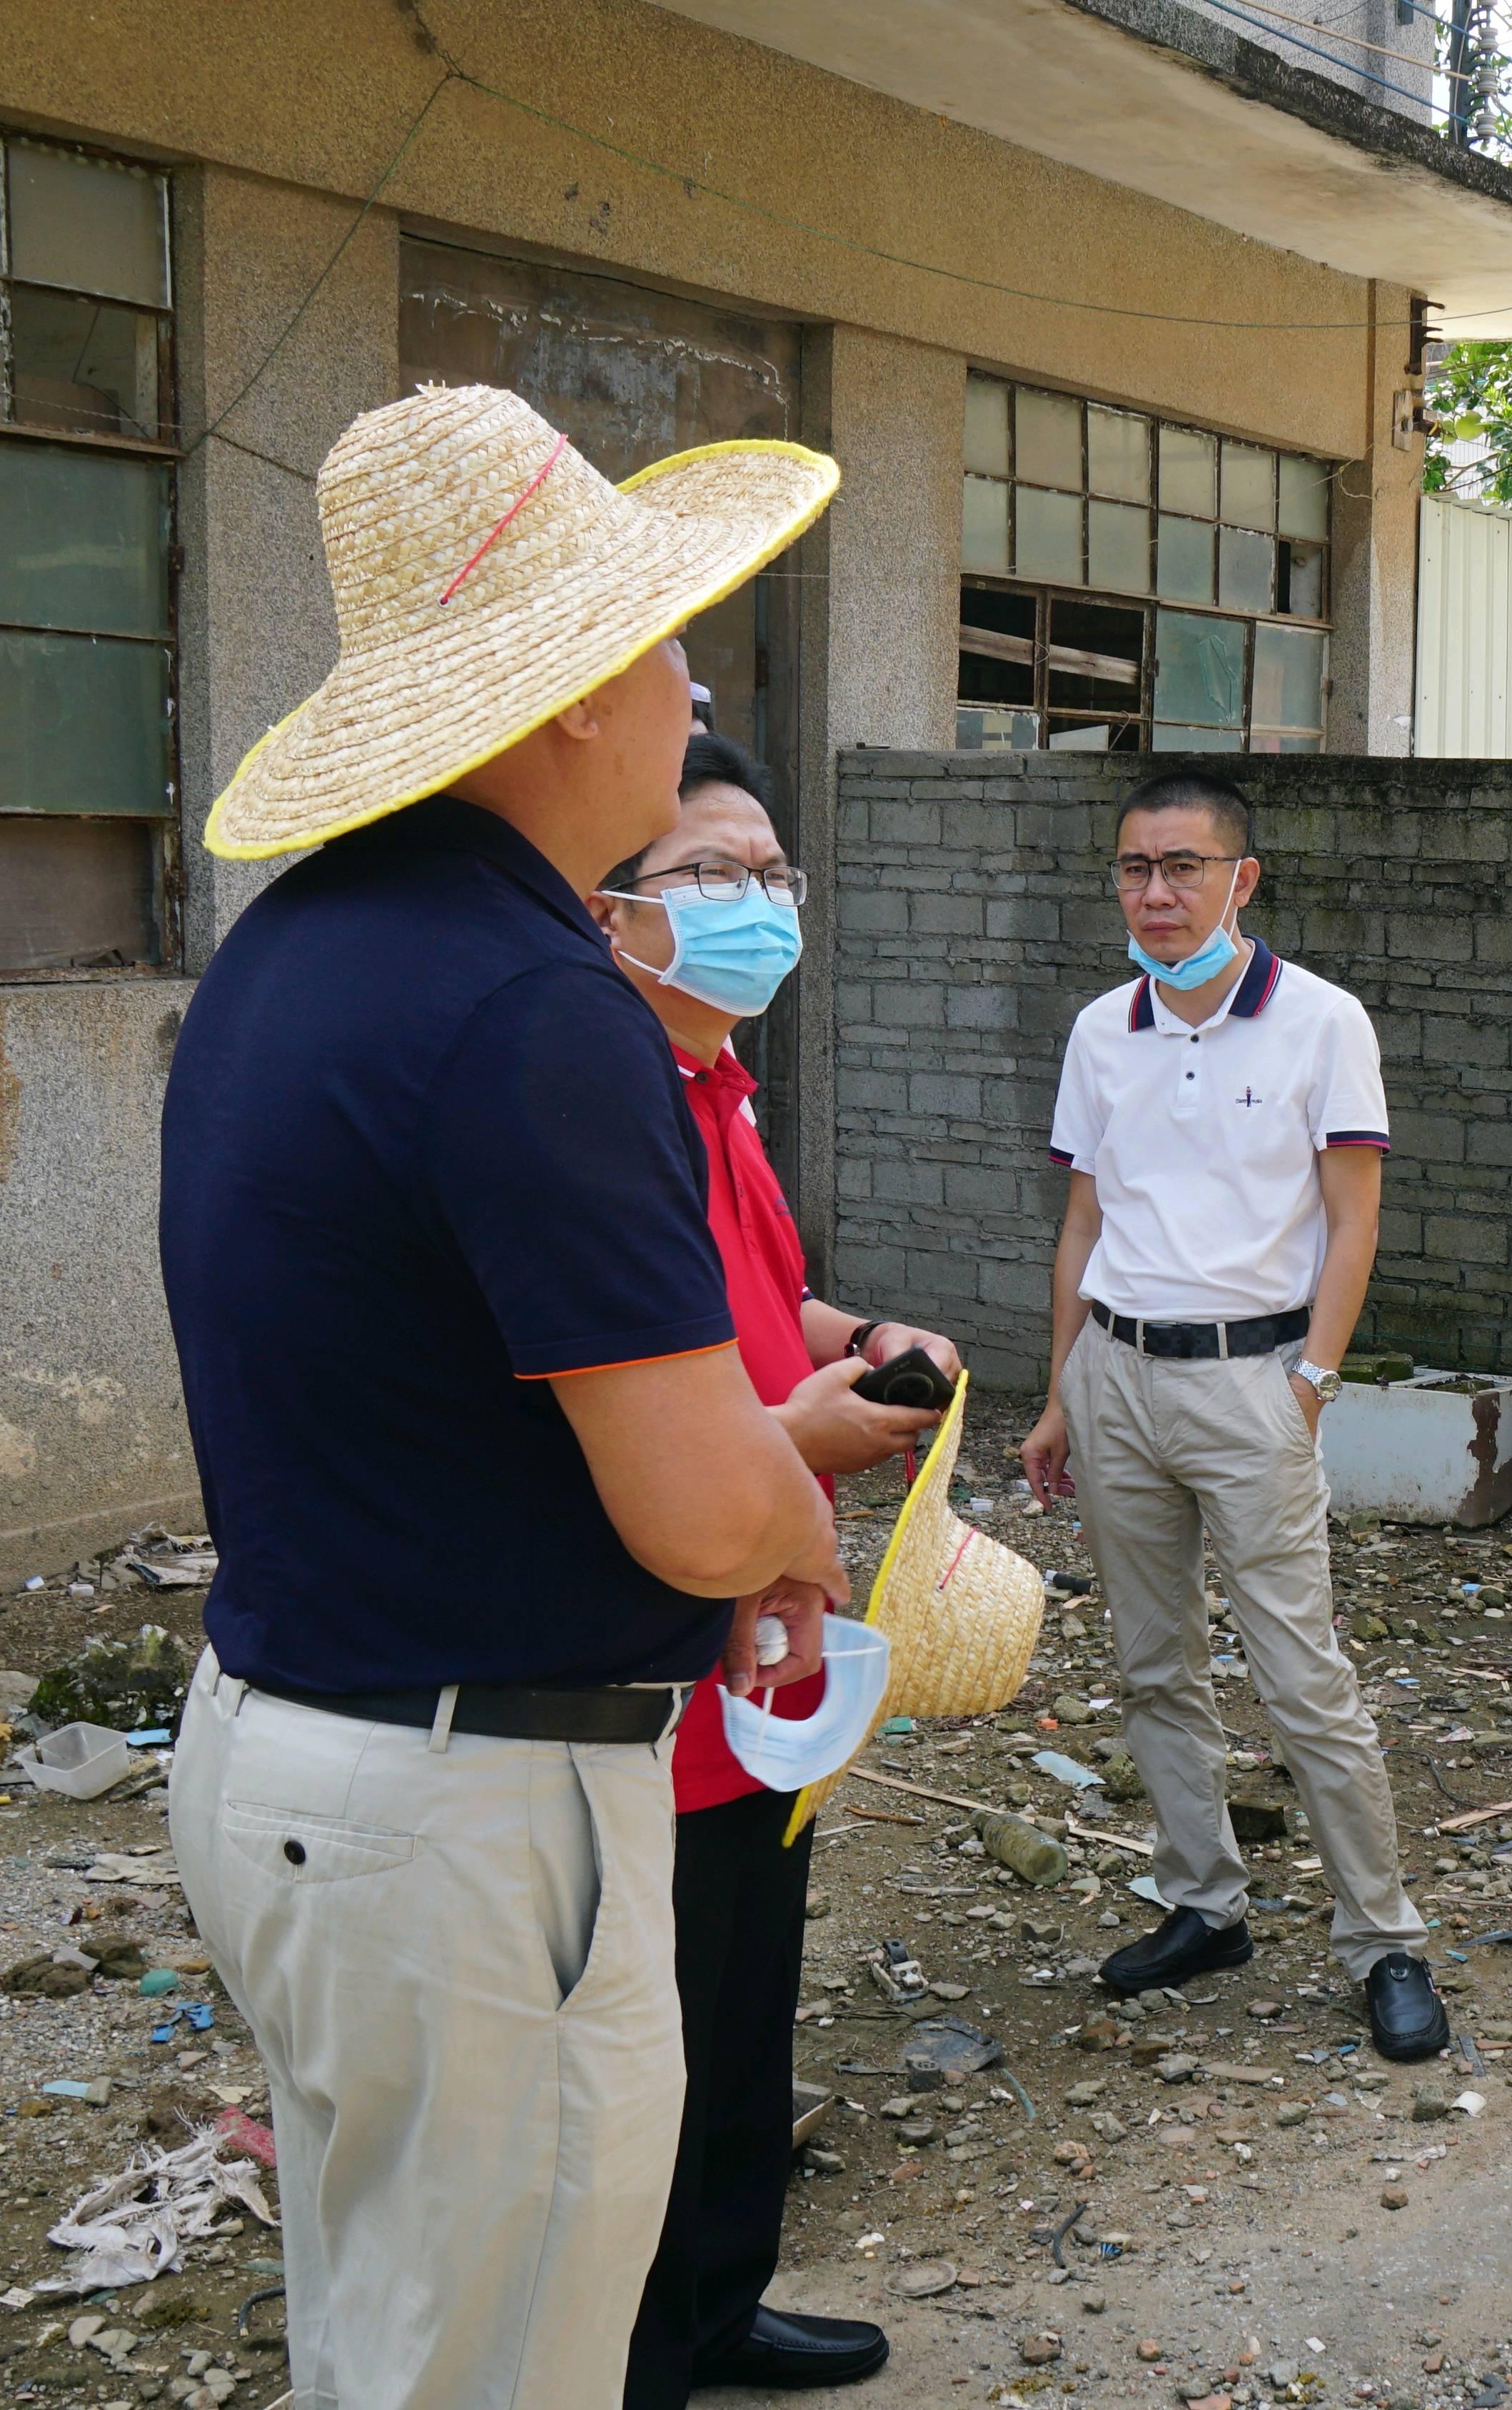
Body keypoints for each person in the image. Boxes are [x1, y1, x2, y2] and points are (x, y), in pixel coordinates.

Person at [159, 386, 850, 2407]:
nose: (688, 690)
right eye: (663, 649)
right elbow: (706, 1512)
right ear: (566, 706)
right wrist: (796, 1528)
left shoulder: (303, 949)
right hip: (462, 1810)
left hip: (307, 1752)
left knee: (393, 2338)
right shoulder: (538, 1009)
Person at [595, 732, 954, 2403]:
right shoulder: (592, 1115)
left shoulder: (722, 1092)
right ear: (612, 912)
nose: (755, 907)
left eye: (770, 877)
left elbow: (768, 1306)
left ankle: (722, 2300)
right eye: (709, 877)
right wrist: (796, 1437)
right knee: (642, 2040)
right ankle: (637, 2350)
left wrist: (862, 1338)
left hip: (766, 1654)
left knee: (746, 2005)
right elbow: (636, 1421)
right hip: (648, 1658)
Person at [1017, 771, 1448, 2062]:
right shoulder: (1103, 1030)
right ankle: (1204, 1902)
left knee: (1302, 1674)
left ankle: (1383, 1939)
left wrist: (1313, 1379)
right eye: (1136, 869)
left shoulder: (1322, 1022)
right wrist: (1059, 1392)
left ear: (1241, 880)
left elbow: (1355, 1216)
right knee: (1153, 1665)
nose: (1156, 893)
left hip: (1252, 1381)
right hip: (1118, 1374)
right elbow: (1084, 1221)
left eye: (1184, 867)